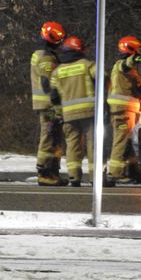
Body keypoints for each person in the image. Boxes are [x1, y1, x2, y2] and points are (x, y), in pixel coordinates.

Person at [50, 36, 96, 187]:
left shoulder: (57, 72)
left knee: (72, 146)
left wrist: (59, 114)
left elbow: (54, 96)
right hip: (89, 113)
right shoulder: (88, 65)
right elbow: (103, 79)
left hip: (68, 115)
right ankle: (94, 178)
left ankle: (73, 177)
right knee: (93, 145)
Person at [30, 21, 68, 186]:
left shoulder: (39, 54)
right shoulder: (46, 57)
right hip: (49, 106)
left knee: (54, 139)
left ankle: (51, 172)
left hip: (45, 105)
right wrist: (57, 101)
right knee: (49, 138)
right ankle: (45, 173)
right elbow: (48, 83)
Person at [107, 36, 141, 185]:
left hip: (128, 110)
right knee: (121, 141)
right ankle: (115, 173)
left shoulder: (130, 70)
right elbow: (126, 64)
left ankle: (129, 170)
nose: (139, 53)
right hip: (122, 110)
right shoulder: (121, 64)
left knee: (128, 141)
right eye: (137, 50)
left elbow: (130, 86)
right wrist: (134, 59)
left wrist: (140, 89)